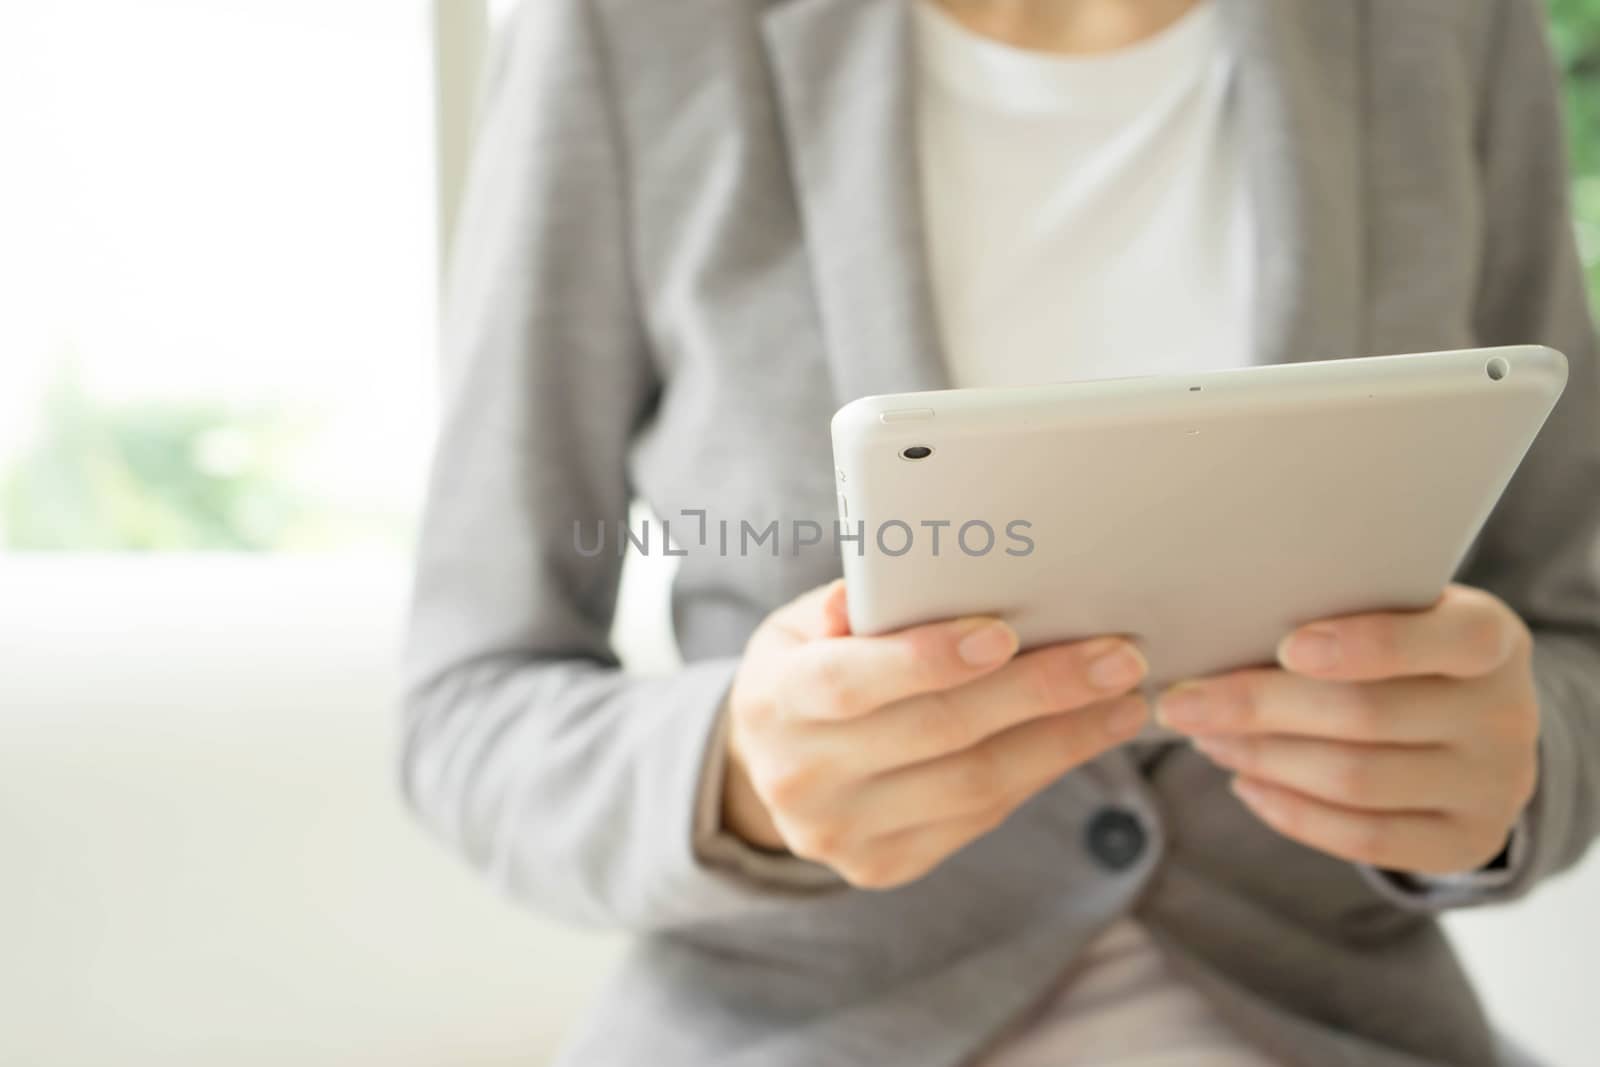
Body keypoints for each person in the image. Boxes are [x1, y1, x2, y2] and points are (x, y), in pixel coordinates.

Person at [400, 0, 1600, 1063]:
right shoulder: (634, 32)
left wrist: (1512, 760)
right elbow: (467, 703)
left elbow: (1572, 630)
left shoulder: (1445, 24)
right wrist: (735, 776)